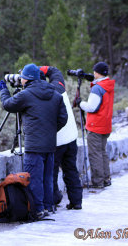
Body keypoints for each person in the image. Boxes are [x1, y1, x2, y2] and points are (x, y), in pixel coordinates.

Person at [0, 63, 68, 219]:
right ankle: (48, 206)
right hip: (50, 144)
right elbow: (63, 118)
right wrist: (49, 131)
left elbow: (8, 105)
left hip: (34, 144)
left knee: (34, 178)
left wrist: (3, 90)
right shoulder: (55, 94)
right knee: (48, 177)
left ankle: (37, 210)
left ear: (26, 78)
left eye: (22, 77)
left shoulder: (26, 95)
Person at [40, 66, 83, 210]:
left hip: (57, 140)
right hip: (71, 137)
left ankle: (52, 201)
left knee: (51, 173)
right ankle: (76, 202)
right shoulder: (59, 85)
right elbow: (55, 71)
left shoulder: (41, 95)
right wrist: (38, 68)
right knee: (71, 170)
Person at [76, 61, 115, 189]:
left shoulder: (97, 88)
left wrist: (80, 103)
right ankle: (106, 178)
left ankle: (97, 181)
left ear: (97, 72)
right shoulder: (108, 85)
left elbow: (92, 107)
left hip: (95, 125)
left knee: (95, 154)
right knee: (102, 152)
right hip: (105, 124)